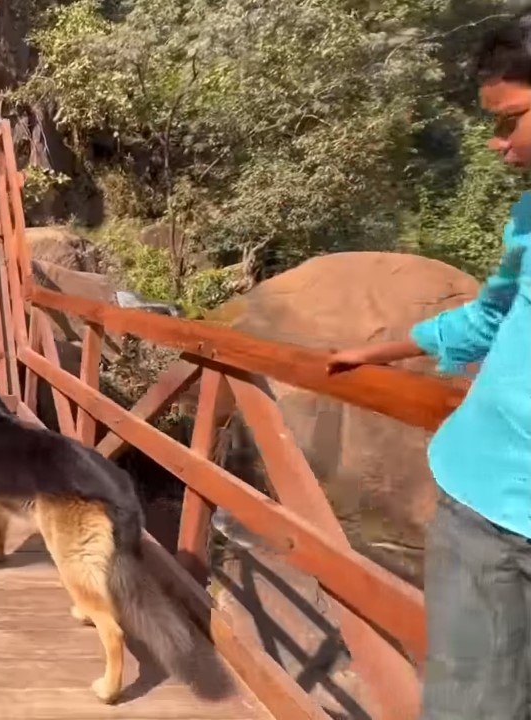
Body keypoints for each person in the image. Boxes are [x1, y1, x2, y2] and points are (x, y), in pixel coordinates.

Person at [327, 15, 531, 719]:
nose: (497, 144)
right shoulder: (530, 218)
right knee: (471, 706)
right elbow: (490, 317)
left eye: (509, 121)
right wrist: (377, 349)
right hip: (484, 500)